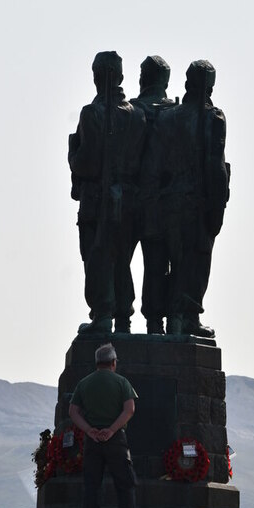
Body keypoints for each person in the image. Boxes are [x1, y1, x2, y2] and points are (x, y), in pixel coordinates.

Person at [145, 60, 230, 336]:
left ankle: (158, 321)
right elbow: (215, 166)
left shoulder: (167, 117)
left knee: (164, 265)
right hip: (196, 204)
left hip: (166, 203)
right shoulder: (212, 118)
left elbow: (154, 165)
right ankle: (185, 319)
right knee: (193, 264)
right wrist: (218, 207)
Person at [68, 51, 147, 334]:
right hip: (130, 200)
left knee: (97, 257)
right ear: (122, 77)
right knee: (122, 260)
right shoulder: (138, 116)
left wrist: (72, 155)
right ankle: (123, 317)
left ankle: (103, 315)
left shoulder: (92, 113)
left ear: (96, 77)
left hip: (97, 199)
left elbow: (86, 163)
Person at [68, 343, 144, 508]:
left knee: (92, 485)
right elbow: (130, 409)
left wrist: (89, 430)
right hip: (116, 440)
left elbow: (73, 411)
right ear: (113, 362)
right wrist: (111, 430)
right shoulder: (122, 382)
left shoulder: (84, 383)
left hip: (92, 440)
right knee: (125, 484)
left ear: (97, 363)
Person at [130, 55, 175, 335]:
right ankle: (156, 321)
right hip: (165, 202)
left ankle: (119, 318)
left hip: (130, 199)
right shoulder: (175, 113)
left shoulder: (129, 110)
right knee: (158, 264)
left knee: (117, 263)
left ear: (142, 79)